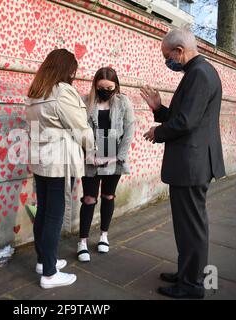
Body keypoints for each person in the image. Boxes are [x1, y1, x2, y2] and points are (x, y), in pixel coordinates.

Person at [140, 28, 226, 299]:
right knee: (189, 225)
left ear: (179, 51)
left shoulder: (199, 74)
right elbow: (184, 116)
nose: (168, 61)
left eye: (168, 56)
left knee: (191, 227)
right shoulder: (198, 72)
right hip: (193, 162)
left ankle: (191, 285)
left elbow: (186, 122)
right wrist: (158, 109)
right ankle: (188, 273)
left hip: (192, 164)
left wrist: (158, 132)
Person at [25, 49, 95, 289]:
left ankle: (44, 261)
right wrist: (94, 149)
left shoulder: (36, 92)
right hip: (58, 162)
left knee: (43, 211)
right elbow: (81, 127)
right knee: (53, 215)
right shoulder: (63, 92)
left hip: (40, 159)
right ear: (67, 70)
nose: (73, 76)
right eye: (72, 71)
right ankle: (50, 274)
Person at [77, 67, 135, 262]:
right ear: (95, 85)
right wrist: (90, 154)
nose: (105, 91)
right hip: (91, 154)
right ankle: (82, 242)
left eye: (109, 87)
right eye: (101, 87)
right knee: (89, 199)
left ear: (116, 86)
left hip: (112, 151)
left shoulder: (123, 102)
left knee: (108, 196)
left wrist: (118, 156)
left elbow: (129, 130)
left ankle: (104, 236)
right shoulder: (85, 101)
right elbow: (80, 130)